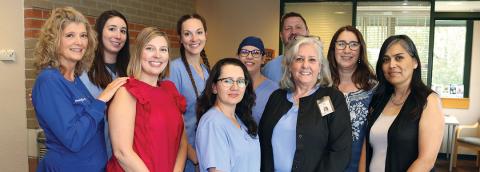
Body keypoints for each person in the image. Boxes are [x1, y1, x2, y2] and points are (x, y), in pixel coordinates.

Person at [32, 7, 126, 171]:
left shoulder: (74, 78)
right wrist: (101, 100)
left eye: (83, 35)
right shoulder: (49, 81)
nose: (79, 42)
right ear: (54, 41)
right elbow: (74, 138)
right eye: (70, 35)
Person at [259, 36, 352, 172]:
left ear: (320, 67)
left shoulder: (331, 98)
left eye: (312, 60)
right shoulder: (276, 98)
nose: (305, 65)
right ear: (290, 66)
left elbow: (340, 152)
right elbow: (262, 143)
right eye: (299, 59)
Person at [106, 27, 187, 172]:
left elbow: (182, 141)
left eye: (163, 50)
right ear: (138, 53)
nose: (157, 55)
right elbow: (122, 152)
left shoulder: (170, 90)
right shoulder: (127, 91)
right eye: (150, 48)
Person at [359, 35, 444, 172]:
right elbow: (366, 146)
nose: (392, 65)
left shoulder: (429, 101)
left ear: (415, 62)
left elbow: (426, 161)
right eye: (386, 60)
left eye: (399, 57)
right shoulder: (379, 98)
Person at [79, 10, 130, 158]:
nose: (118, 35)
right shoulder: (83, 71)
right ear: (99, 32)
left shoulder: (130, 72)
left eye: (123, 31)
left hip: (122, 155)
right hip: (90, 154)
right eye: (112, 29)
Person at [326, 25, 377, 172]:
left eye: (353, 44)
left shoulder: (374, 89)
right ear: (333, 49)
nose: (347, 50)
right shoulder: (321, 87)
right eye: (341, 44)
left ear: (361, 50)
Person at [195, 58, 260, 172]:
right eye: (227, 81)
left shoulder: (240, 119)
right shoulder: (213, 123)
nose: (234, 87)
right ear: (214, 87)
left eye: (240, 81)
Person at [168, 13, 210, 171]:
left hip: (206, 152)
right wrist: (194, 157)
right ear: (180, 38)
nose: (194, 39)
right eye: (187, 34)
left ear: (206, 35)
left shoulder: (207, 71)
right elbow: (173, 122)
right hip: (187, 157)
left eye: (199, 32)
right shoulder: (173, 70)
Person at [237, 36, 279, 124]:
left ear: (263, 59)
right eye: (244, 52)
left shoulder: (274, 90)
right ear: (238, 57)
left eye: (255, 53)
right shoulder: (231, 86)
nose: (249, 56)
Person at [262, 12, 309, 83]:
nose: (293, 32)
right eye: (288, 28)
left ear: (307, 32)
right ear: (281, 35)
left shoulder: (321, 65)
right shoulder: (269, 69)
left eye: (298, 27)